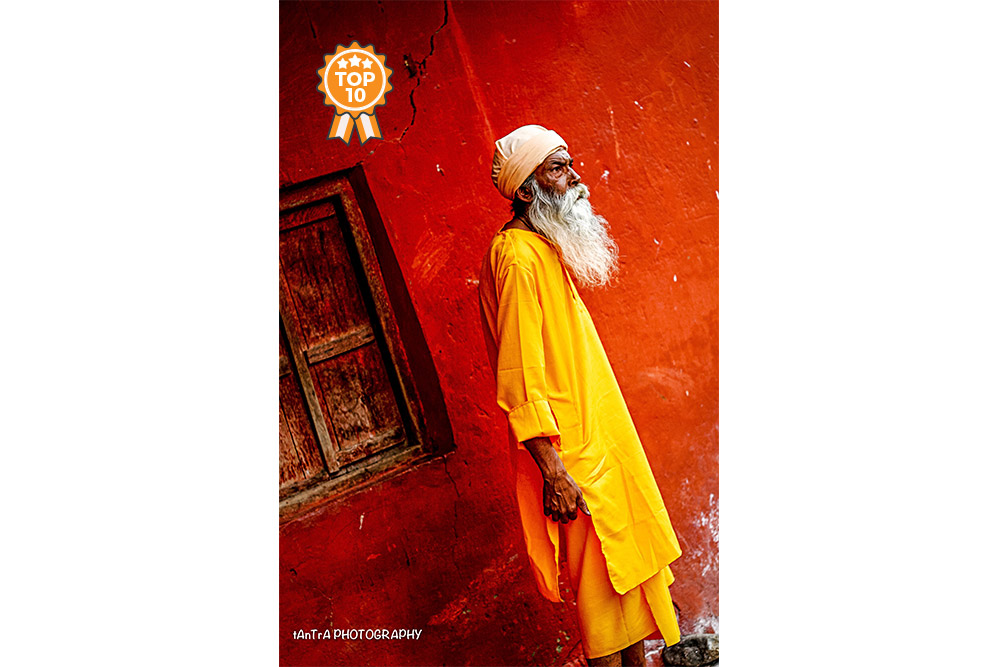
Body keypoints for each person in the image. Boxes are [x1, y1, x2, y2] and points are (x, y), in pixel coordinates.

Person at [478, 125, 684, 667]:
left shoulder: (541, 248)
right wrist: (554, 472)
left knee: (628, 598)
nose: (575, 178)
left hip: (600, 452)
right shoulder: (518, 257)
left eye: (569, 165)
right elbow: (519, 376)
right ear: (527, 191)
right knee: (603, 617)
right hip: (574, 464)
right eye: (559, 168)